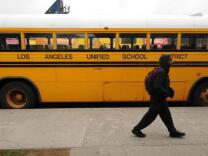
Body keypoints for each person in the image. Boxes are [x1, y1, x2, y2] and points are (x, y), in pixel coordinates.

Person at [132, 54, 185, 138]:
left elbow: (163, 84)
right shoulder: (161, 72)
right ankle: (136, 129)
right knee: (150, 116)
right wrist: (166, 93)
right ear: (165, 61)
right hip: (157, 99)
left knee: (167, 116)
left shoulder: (161, 70)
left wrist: (170, 90)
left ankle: (173, 132)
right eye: (170, 60)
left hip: (160, 99)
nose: (171, 62)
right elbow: (157, 86)